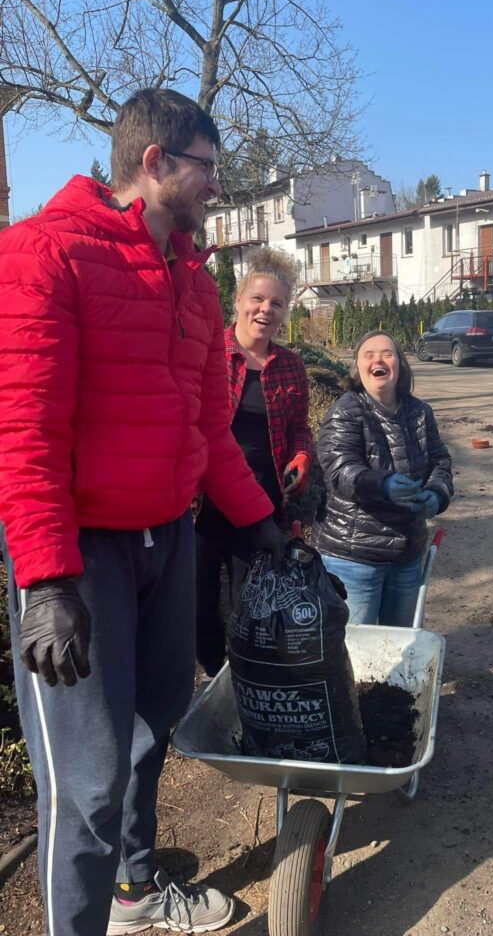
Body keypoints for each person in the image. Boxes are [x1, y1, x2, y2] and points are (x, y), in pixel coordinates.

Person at [0, 88, 286, 936]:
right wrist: (47, 579)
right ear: (154, 163)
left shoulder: (196, 286)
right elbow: (25, 431)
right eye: (207, 170)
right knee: (85, 785)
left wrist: (263, 524)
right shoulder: (45, 254)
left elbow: (209, 431)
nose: (216, 190)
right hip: (81, 556)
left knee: (151, 732)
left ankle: (134, 894)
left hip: (169, 542)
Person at [195, 248, 312, 676]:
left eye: (277, 303)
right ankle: (211, 673)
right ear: (239, 302)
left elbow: (300, 426)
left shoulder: (290, 366)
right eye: (258, 299)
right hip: (205, 498)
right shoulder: (211, 353)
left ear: (285, 312)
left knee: (251, 596)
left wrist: (302, 455)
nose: (266, 309)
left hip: (261, 500)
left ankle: (248, 674)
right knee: (201, 594)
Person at [313, 329, 453, 625]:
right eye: (369, 354)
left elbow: (440, 460)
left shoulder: (420, 413)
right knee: (358, 651)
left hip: (407, 553)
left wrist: (437, 494)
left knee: (400, 642)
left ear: (400, 365)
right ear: (358, 367)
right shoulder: (345, 412)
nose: (378, 360)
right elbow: (339, 469)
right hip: (354, 556)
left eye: (387, 354)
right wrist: (383, 485)